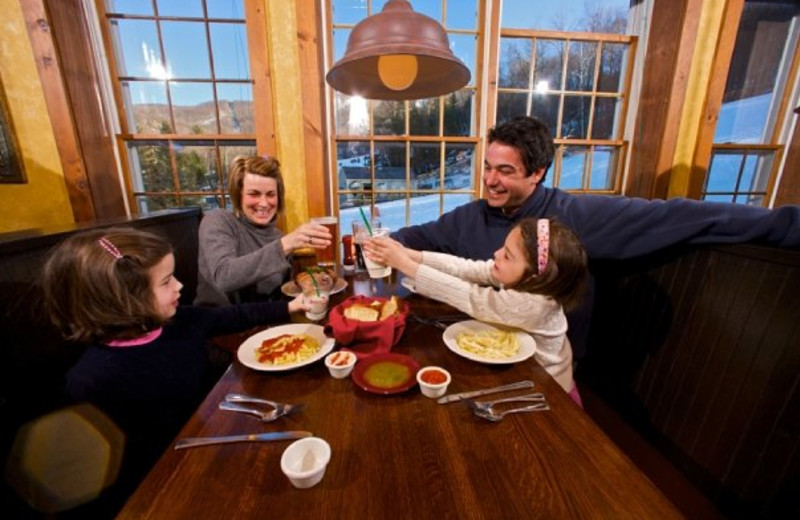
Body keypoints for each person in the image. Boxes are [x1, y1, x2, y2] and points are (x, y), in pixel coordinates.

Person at [392, 116, 800, 354]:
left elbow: (680, 216)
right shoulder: (468, 216)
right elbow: (412, 237)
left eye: (505, 171)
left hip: (550, 369)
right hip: (477, 348)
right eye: (487, 167)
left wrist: (785, 225)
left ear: (537, 174)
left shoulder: (574, 216)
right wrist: (371, 243)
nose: (489, 181)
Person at [42, 227, 309, 504]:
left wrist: (291, 307)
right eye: (166, 281)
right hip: (170, 480)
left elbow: (230, 316)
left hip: (212, 434)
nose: (179, 286)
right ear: (124, 300)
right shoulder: (92, 381)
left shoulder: (176, 321)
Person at [365, 218, 588, 406]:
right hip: (522, 373)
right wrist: (412, 255)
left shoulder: (536, 304)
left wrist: (405, 265)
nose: (497, 253)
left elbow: (472, 297)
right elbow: (468, 268)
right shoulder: (526, 279)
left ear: (534, 277)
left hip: (549, 391)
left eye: (508, 255)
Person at [195, 155, 333, 306]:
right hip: (220, 325)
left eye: (270, 194)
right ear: (238, 194)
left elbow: (280, 297)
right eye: (254, 194)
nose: (264, 203)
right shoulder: (218, 220)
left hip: (265, 323)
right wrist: (284, 245)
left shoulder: (278, 237)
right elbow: (224, 277)